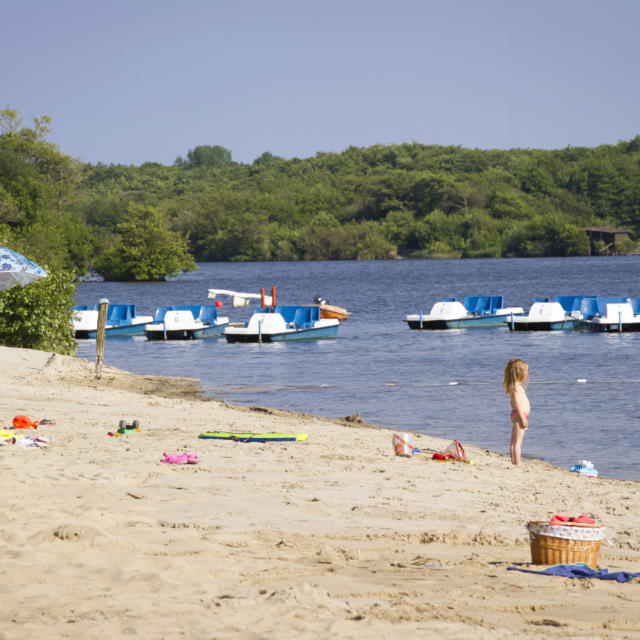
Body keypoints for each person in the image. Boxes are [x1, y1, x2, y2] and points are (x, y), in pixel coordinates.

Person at [503, 358, 530, 466]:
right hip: (519, 415)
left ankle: (514, 462)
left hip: (519, 415)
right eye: (526, 371)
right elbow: (517, 403)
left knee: (514, 442)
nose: (527, 373)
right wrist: (522, 417)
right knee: (517, 442)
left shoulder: (517, 387)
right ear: (520, 372)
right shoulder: (516, 388)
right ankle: (517, 463)